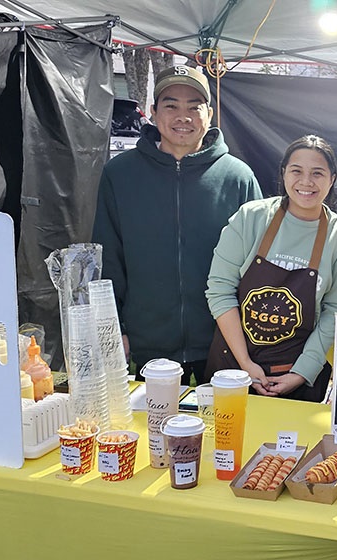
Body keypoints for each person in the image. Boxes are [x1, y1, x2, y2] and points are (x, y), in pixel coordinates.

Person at [92, 65, 262, 385]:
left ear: (209, 114)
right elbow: (108, 260)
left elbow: (257, 266)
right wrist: (116, 330)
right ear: (154, 113)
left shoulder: (238, 178)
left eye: (193, 107)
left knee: (221, 431)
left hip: (223, 343)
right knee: (153, 433)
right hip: (147, 344)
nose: (182, 116)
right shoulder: (120, 175)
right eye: (171, 105)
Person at [205, 135, 337, 402]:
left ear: (332, 179)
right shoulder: (250, 218)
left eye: (318, 173)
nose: (306, 182)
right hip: (232, 369)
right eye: (296, 171)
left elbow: (334, 312)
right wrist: (246, 365)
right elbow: (219, 291)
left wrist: (302, 372)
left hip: (293, 376)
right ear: (284, 173)